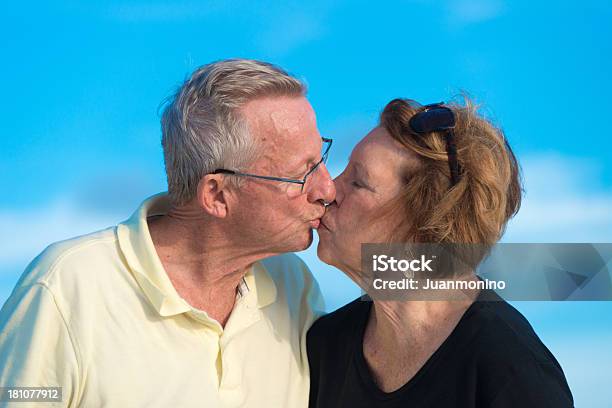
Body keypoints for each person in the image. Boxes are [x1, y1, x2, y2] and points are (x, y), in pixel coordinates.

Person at [0, 59, 335, 407]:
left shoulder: (294, 284)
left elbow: (391, 335)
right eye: (302, 174)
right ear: (217, 195)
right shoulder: (64, 287)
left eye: (322, 156)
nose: (328, 189)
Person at [307, 98, 574, 407]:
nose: (328, 191)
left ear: (426, 221)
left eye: (358, 182)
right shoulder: (324, 347)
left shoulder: (512, 372)